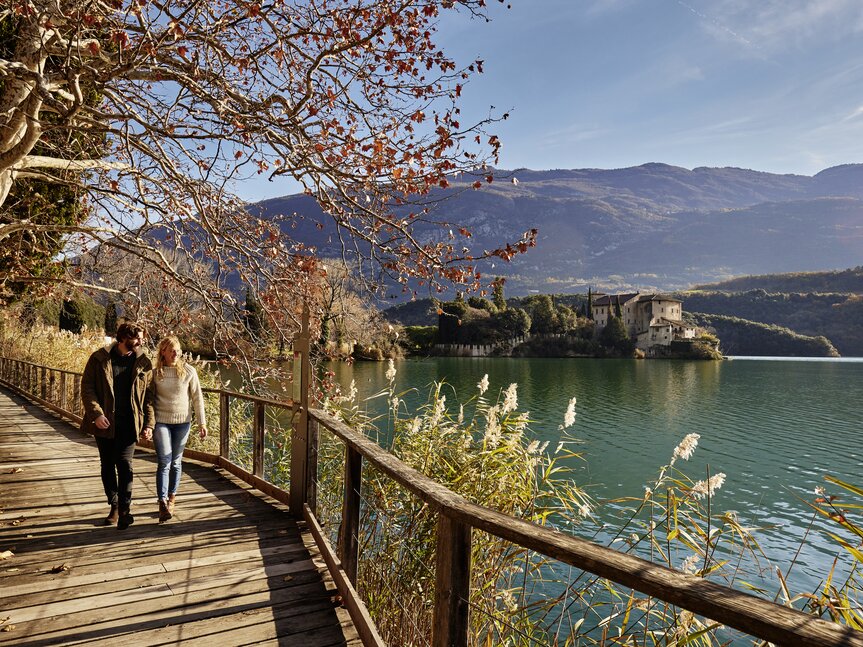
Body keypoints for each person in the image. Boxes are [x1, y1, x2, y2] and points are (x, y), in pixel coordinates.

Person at [81, 322, 154, 530]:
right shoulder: (98, 358)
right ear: (123, 338)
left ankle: (124, 510)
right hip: (104, 423)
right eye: (137, 338)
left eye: (141, 338)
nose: (141, 342)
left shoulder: (143, 363)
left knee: (125, 465)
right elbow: (87, 388)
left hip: (130, 424)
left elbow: (148, 397)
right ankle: (113, 504)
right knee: (107, 465)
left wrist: (149, 424)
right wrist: (96, 414)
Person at [147, 336, 207, 522]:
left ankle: (172, 497)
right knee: (164, 460)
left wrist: (202, 423)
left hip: (183, 423)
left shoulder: (189, 371)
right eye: (171, 350)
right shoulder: (155, 373)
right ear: (162, 352)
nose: (175, 354)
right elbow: (148, 399)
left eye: (177, 350)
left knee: (176, 461)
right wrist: (147, 424)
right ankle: (162, 502)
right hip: (161, 422)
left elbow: (197, 398)